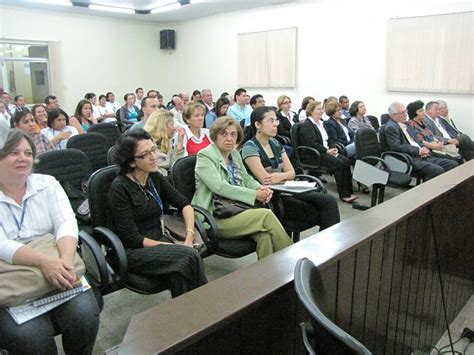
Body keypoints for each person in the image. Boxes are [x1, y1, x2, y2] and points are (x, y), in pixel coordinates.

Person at [0, 127, 100, 354]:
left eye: (28, 153)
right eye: (14, 153)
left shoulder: (48, 184)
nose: (23, 159)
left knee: (85, 315)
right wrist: (45, 263)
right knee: (33, 338)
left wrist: (65, 259)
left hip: (59, 265)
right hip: (11, 277)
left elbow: (66, 222)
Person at [107, 129, 207, 297]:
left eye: (153, 150)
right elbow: (131, 238)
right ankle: (209, 310)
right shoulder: (119, 188)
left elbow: (185, 204)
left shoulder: (154, 177)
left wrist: (189, 237)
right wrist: (173, 247)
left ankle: (191, 318)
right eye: (145, 154)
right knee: (187, 256)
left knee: (180, 270)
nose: (154, 157)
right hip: (134, 250)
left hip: (160, 238)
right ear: (131, 162)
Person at [192, 117, 293, 259]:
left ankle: (267, 278)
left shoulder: (234, 154)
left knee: (264, 236)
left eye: (233, 135)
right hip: (215, 217)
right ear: (215, 136)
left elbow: (246, 179)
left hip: (237, 209)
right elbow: (220, 187)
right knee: (266, 215)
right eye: (224, 134)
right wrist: (254, 194)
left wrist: (261, 189)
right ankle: (294, 260)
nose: (229, 139)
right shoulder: (205, 156)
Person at [242, 107, 340, 231]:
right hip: (271, 197)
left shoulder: (276, 143)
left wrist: (280, 176)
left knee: (329, 201)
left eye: (276, 121)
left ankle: (333, 247)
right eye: (270, 121)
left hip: (288, 189)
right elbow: (265, 179)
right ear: (257, 125)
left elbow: (292, 173)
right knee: (319, 213)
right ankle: (329, 247)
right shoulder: (250, 147)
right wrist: (284, 175)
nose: (275, 125)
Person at [299, 101, 357, 203]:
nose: (321, 111)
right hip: (315, 155)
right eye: (318, 109)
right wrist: (327, 150)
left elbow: (329, 140)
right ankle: (344, 195)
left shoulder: (321, 123)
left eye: (322, 109)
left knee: (346, 161)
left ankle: (349, 192)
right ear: (311, 111)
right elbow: (312, 144)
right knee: (339, 164)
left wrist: (332, 148)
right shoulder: (307, 125)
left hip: (325, 151)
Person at [384, 102, 457, 181]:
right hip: (409, 157)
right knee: (437, 170)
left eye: (405, 111)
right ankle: (429, 192)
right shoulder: (391, 127)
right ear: (394, 115)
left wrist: (423, 149)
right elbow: (396, 147)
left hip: (420, 154)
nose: (405, 114)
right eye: (402, 113)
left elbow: (417, 140)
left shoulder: (407, 124)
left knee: (452, 164)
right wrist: (418, 151)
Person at [144, 110, 185, 175]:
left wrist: (180, 144)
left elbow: (175, 167)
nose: (174, 128)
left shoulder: (168, 141)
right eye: (172, 125)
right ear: (162, 126)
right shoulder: (146, 144)